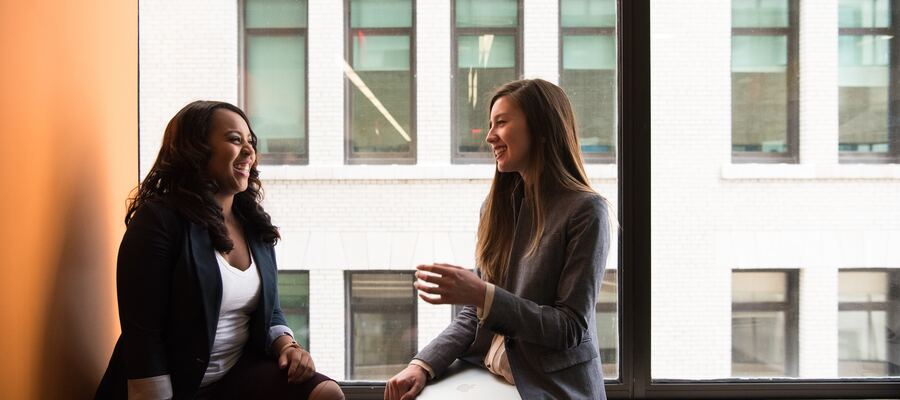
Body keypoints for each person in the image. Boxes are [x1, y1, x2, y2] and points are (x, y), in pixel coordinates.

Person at [95, 101, 343, 400]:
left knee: (326, 393)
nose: (249, 152)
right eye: (235, 140)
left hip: (232, 376)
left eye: (251, 142)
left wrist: (288, 346)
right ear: (195, 150)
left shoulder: (253, 224)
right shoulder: (158, 221)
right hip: (168, 384)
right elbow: (143, 334)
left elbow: (270, 309)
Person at [385, 79, 611, 400]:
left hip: (550, 386)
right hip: (489, 377)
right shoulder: (497, 208)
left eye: (501, 122)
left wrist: (484, 294)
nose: (490, 137)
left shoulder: (587, 211)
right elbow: (475, 314)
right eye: (491, 125)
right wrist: (422, 364)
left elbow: (569, 328)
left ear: (542, 127)